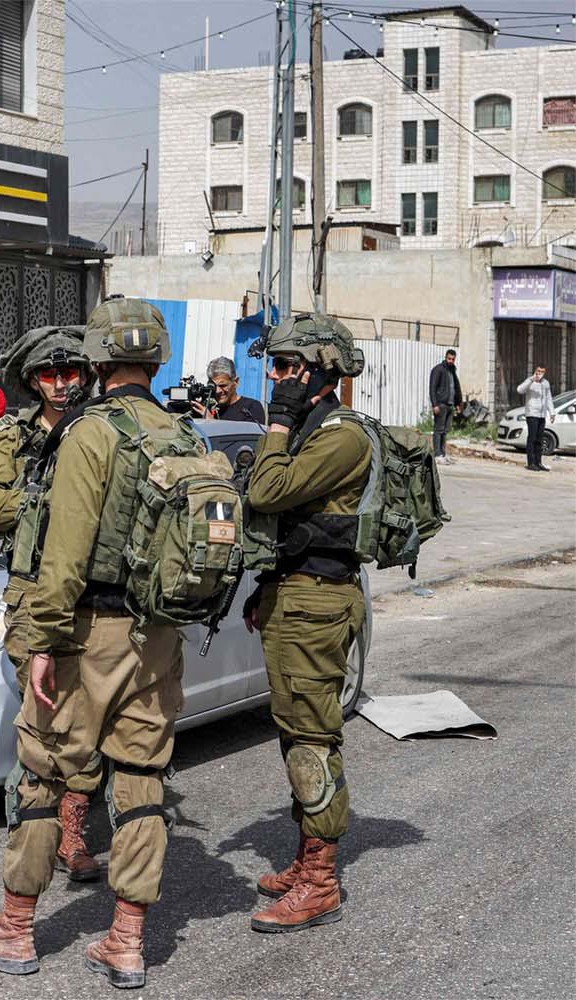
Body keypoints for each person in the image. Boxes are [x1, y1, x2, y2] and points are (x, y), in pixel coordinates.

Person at [0, 298, 186, 988]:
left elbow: (65, 555)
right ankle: (127, 941)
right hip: (157, 637)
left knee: (44, 775)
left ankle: (13, 930)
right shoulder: (179, 431)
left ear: (99, 359)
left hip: (89, 633)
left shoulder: (92, 433)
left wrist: (46, 639)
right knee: (142, 781)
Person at [240, 313, 370, 934]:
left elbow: (267, 492)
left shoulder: (342, 437)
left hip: (317, 604)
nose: (275, 377)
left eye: (288, 367)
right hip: (294, 594)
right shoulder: (311, 430)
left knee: (313, 738)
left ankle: (320, 883)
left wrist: (278, 422)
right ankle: (304, 860)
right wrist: (264, 586)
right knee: (296, 733)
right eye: (275, 366)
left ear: (323, 372)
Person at [0, 326, 102, 884]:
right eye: (49, 374)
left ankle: (73, 830)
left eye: (70, 372)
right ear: (32, 381)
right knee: (44, 713)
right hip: (33, 588)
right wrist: (58, 498)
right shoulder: (12, 433)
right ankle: (35, 827)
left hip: (94, 588)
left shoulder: (100, 427)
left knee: (90, 711)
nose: (60, 383)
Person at [197, 356, 266, 423]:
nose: (217, 391)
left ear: (236, 382)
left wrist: (212, 422)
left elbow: (249, 431)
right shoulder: (209, 409)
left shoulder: (251, 407)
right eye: (213, 386)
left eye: (223, 385)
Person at [517, 365, 556, 472]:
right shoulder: (530, 381)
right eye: (538, 371)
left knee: (539, 439)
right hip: (532, 414)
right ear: (535, 371)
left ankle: (538, 462)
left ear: (545, 372)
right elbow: (520, 390)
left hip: (542, 415)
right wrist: (531, 379)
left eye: (542, 372)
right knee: (532, 438)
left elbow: (548, 398)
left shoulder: (546, 383)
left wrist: (552, 413)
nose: (540, 373)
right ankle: (531, 463)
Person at [428, 348, 462, 464]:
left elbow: (456, 387)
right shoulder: (438, 370)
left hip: (450, 405)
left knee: (445, 431)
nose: (450, 361)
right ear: (445, 357)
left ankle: (443, 453)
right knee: (438, 430)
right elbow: (432, 388)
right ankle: (437, 454)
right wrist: (435, 404)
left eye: (453, 359)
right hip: (441, 404)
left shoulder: (452, 371)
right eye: (449, 358)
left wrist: (458, 403)